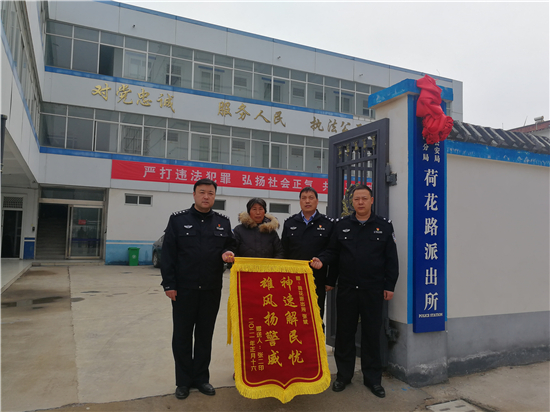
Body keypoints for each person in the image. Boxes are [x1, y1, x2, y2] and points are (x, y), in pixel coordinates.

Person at [311, 184, 398, 399]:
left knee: (371, 334)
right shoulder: (341, 226)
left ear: (371, 200)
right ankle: (343, 376)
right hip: (347, 289)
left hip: (372, 290)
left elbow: (391, 259)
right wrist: (323, 263)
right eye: (356, 198)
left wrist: (389, 285)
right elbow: (333, 253)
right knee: (344, 334)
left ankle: (373, 379)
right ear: (352, 201)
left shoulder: (384, 226)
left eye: (364, 198)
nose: (360, 202)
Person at [161, 178, 236, 400]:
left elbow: (230, 246)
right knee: (182, 336)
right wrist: (169, 284)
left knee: (205, 335)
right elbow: (168, 254)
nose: (206, 196)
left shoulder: (222, 222)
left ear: (214, 196)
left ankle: (202, 378)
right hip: (184, 290)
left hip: (211, 289)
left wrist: (228, 253)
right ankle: (183, 381)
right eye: (202, 192)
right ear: (194, 194)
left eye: (210, 193)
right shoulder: (178, 220)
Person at [281, 187, 334, 322]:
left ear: (317, 201)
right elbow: (284, 251)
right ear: (300, 201)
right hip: (293, 279)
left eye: (311, 198)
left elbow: (332, 251)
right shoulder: (290, 223)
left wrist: (329, 278)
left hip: (317, 278)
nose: (307, 201)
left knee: (315, 317)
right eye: (304, 198)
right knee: (294, 316)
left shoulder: (327, 223)